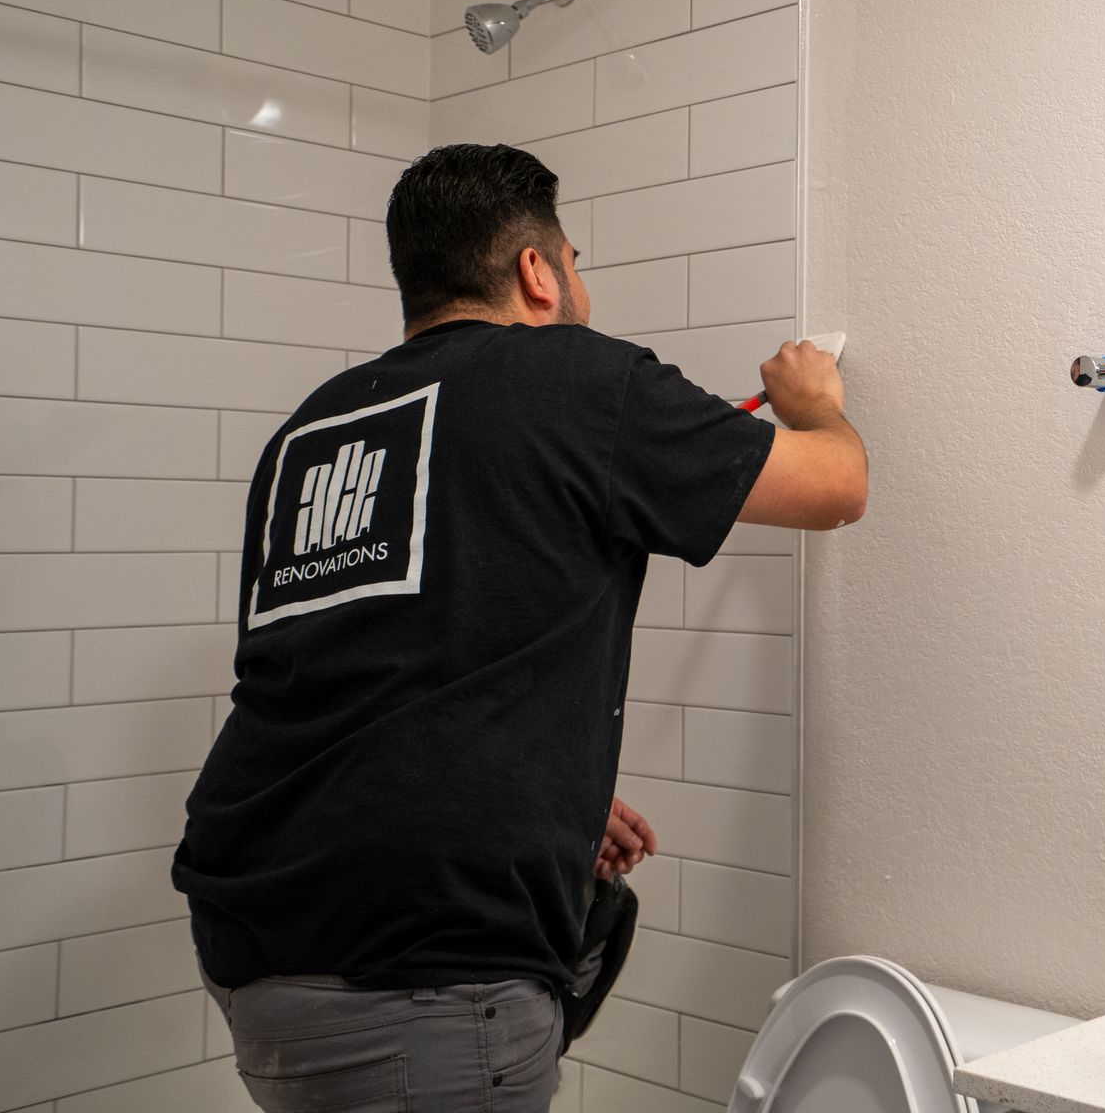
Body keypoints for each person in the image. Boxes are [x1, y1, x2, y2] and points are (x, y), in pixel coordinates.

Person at [171, 143, 867, 1112]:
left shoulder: (315, 427)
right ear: (536, 272)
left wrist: (542, 800)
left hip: (253, 940)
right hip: (420, 973)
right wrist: (816, 405)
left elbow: (375, 668)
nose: (579, 280)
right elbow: (837, 487)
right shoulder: (578, 378)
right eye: (574, 258)